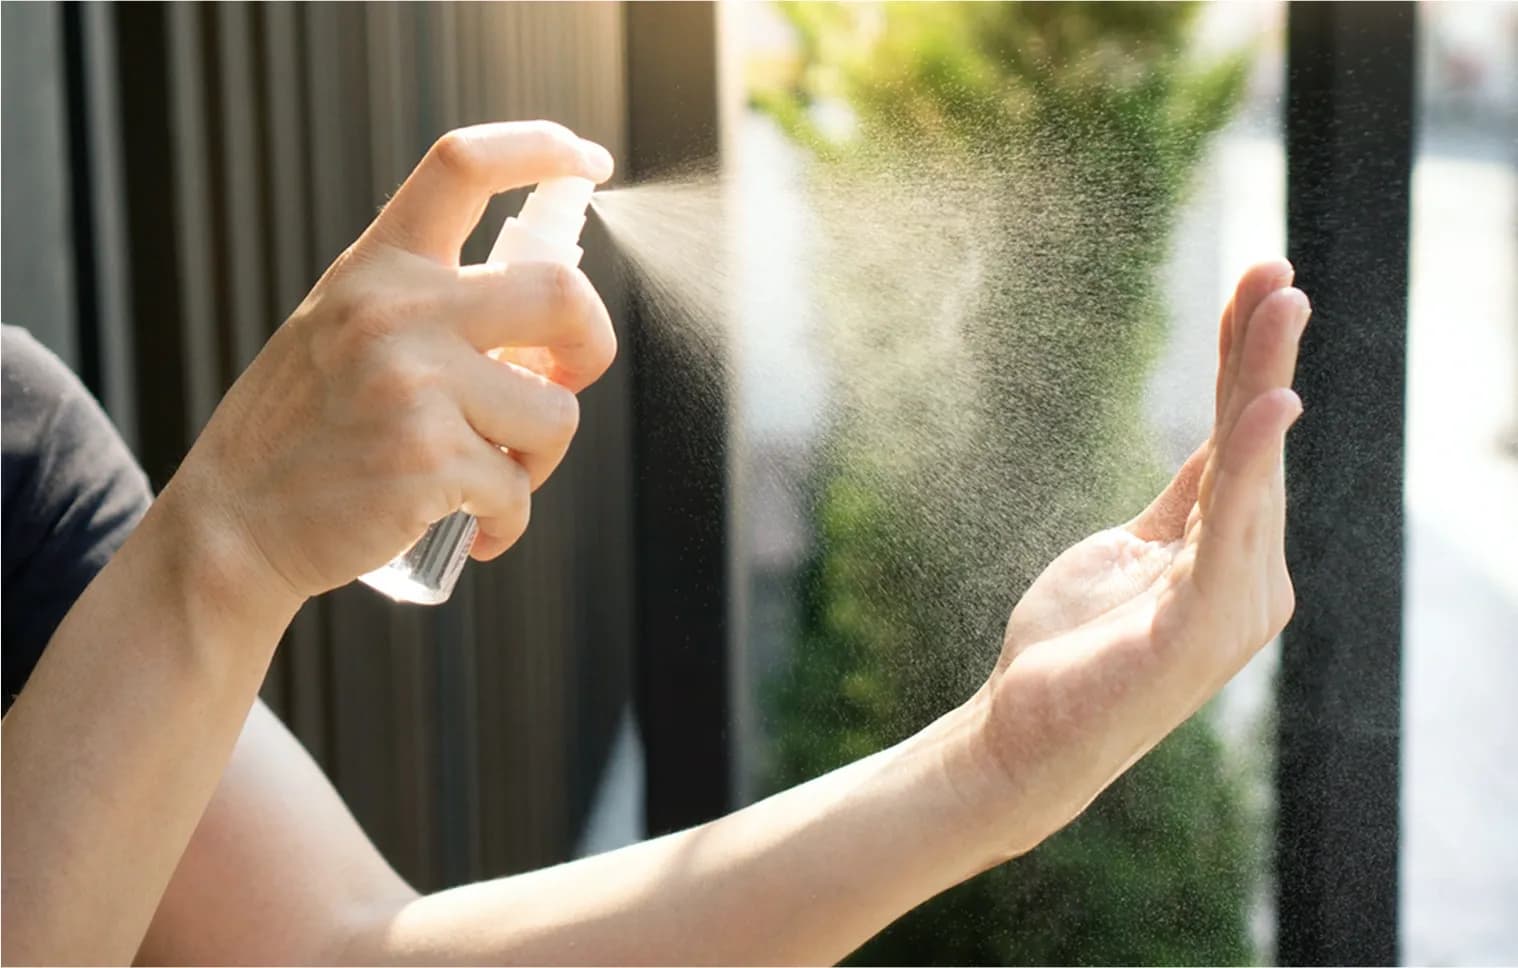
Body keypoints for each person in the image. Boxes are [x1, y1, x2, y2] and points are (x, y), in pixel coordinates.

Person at [0, 121, 1309, 966]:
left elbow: (330, 950)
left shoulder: (18, 442)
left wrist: (989, 770)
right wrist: (223, 546)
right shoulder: (151, 524)